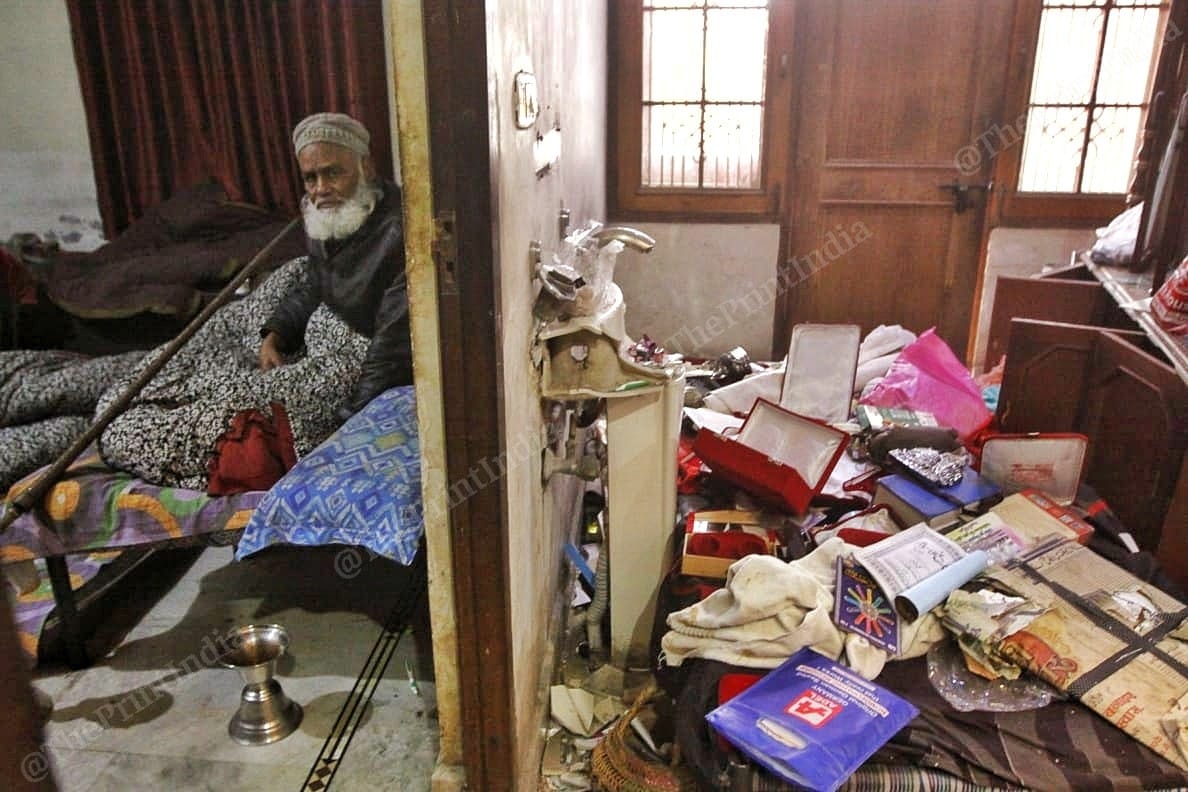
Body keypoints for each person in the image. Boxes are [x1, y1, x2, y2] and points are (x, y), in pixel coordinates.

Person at [259, 112, 412, 421]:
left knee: (256, 408)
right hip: (320, 327)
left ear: (365, 168)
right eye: (310, 178)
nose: (320, 189)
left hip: (361, 354)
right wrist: (274, 335)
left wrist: (350, 419)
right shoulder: (328, 218)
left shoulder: (402, 231)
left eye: (333, 174)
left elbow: (391, 349)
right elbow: (316, 283)